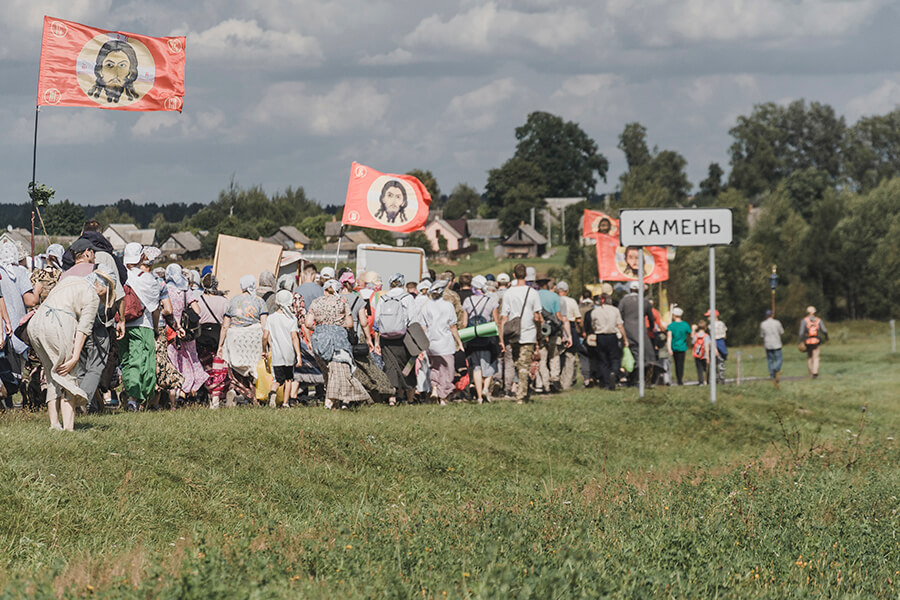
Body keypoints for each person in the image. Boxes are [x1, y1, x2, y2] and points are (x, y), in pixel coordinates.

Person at [28, 271, 114, 431]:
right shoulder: (92, 295)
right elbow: (83, 329)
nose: (104, 294)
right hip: (58, 324)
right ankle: (68, 428)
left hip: (35, 324)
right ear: (100, 285)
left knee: (51, 373)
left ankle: (54, 424)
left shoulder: (71, 280)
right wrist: (75, 357)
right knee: (67, 376)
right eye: (106, 289)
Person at [306, 279, 370, 409]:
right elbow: (350, 323)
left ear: (324, 290)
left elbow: (308, 323)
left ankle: (332, 402)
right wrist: (337, 325)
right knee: (338, 371)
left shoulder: (316, 302)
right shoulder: (342, 301)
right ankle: (331, 403)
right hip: (338, 340)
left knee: (327, 372)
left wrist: (320, 328)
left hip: (319, 340)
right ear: (338, 290)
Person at [117, 243, 163, 411]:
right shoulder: (147, 278)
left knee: (127, 361)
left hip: (121, 323)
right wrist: (156, 328)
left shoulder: (121, 276)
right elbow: (154, 307)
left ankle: (130, 396)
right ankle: (136, 398)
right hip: (143, 324)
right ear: (141, 257)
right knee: (145, 362)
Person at [217, 274, 268, 403]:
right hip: (253, 338)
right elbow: (264, 325)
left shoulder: (232, 301)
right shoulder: (259, 301)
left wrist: (220, 346)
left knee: (236, 369)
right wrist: (267, 344)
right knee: (254, 368)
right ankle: (254, 397)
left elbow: (225, 325)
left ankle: (234, 389)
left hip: (235, 337)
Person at [499, 264, 543, 404]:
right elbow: (537, 316)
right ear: (526, 275)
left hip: (513, 333)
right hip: (529, 332)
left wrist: (501, 338)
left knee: (519, 364)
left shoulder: (508, 293)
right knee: (523, 365)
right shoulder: (533, 293)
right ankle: (521, 396)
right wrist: (538, 333)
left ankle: (522, 393)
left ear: (513, 275)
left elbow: (503, 318)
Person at [164, 264, 208, 401]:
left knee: (173, 361)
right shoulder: (185, 290)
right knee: (189, 359)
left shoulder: (165, 289)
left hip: (170, 330)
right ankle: (187, 390)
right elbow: (197, 310)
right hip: (186, 330)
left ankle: (175, 392)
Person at [419, 280, 465, 404]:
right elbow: (453, 327)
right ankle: (443, 396)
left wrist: (421, 345)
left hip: (430, 343)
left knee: (435, 368)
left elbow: (423, 327)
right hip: (445, 343)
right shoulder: (448, 306)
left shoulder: (426, 306)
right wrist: (459, 342)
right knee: (448, 371)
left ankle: (434, 388)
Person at [373, 273, 416, 405]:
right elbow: (413, 319)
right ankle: (409, 398)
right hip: (404, 337)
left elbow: (377, 320)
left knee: (390, 367)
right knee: (407, 366)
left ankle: (392, 398)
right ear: (403, 283)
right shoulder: (407, 297)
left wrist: (376, 342)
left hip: (386, 338)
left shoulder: (383, 298)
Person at [462, 275, 502, 403]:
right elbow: (497, 322)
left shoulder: (468, 301)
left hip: (473, 337)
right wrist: (501, 340)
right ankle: (485, 389)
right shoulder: (491, 301)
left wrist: (462, 339)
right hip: (487, 336)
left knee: (476, 367)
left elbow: (464, 323)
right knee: (490, 365)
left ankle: (479, 397)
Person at [196, 274, 229, 408]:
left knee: (204, 368)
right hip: (218, 335)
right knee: (218, 369)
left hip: (201, 335)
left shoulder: (198, 299)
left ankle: (204, 395)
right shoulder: (224, 301)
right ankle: (216, 396)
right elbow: (226, 324)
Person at [263, 290, 301, 408]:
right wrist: (298, 355)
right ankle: (285, 403)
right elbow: (294, 337)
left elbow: (265, 336)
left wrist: (263, 349)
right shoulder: (292, 319)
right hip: (289, 353)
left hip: (276, 354)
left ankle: (273, 392)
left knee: (277, 380)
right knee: (288, 379)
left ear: (276, 302)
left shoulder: (271, 318)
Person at [536, 279, 571, 393]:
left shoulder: (534, 295)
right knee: (554, 356)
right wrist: (563, 333)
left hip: (540, 331)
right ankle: (554, 379)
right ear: (547, 285)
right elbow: (558, 315)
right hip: (554, 331)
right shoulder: (554, 296)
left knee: (542, 358)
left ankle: (545, 382)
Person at [617, 281, 656, 385]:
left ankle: (629, 377)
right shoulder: (645, 301)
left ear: (630, 289)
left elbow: (619, 315)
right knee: (642, 355)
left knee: (630, 354)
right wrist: (651, 328)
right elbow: (651, 318)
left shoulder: (624, 301)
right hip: (641, 332)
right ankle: (640, 378)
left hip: (627, 331)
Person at [589, 293, 629, 390]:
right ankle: (614, 373)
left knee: (603, 360)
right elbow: (620, 325)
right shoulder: (615, 310)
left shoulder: (595, 311)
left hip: (600, 336)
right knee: (615, 358)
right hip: (612, 336)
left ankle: (607, 382)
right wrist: (625, 338)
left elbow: (593, 326)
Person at [556, 281, 581, 389]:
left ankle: (557, 380)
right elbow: (578, 318)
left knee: (557, 356)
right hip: (570, 326)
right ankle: (567, 383)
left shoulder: (555, 300)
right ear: (567, 291)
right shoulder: (572, 301)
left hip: (557, 327)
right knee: (570, 357)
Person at [799, 306, 827, 378]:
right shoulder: (818, 320)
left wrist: (799, 341)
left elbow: (801, 332)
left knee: (809, 357)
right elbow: (824, 330)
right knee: (816, 357)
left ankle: (811, 372)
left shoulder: (804, 320)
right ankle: (815, 372)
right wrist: (826, 337)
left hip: (808, 341)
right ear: (814, 312)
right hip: (816, 340)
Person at [666, 307, 691, 385]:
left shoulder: (671, 326)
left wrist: (669, 348)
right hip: (682, 347)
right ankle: (679, 379)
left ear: (674, 315)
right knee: (680, 364)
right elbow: (690, 334)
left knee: (674, 364)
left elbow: (669, 337)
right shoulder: (685, 325)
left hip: (674, 347)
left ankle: (673, 378)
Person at [760, 309, 784, 385]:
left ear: (766, 315)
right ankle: (776, 368)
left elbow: (762, 335)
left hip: (768, 344)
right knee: (779, 359)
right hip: (776, 343)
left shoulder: (763, 324)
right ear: (772, 315)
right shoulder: (777, 322)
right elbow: (781, 332)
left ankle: (771, 375)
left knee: (770, 360)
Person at [707, 309, 728, 384]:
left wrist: (714, 348)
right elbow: (725, 335)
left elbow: (712, 338)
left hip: (715, 343)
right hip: (721, 342)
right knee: (721, 362)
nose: (707, 318)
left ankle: (715, 379)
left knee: (714, 363)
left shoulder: (710, 326)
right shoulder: (722, 323)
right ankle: (722, 379)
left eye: (709, 316)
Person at [692, 320, 711, 385]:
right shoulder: (706, 336)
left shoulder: (696, 335)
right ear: (705, 328)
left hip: (697, 354)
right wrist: (708, 356)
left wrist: (693, 330)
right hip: (705, 355)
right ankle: (707, 381)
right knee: (707, 369)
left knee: (699, 369)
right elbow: (706, 346)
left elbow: (693, 343)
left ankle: (701, 382)